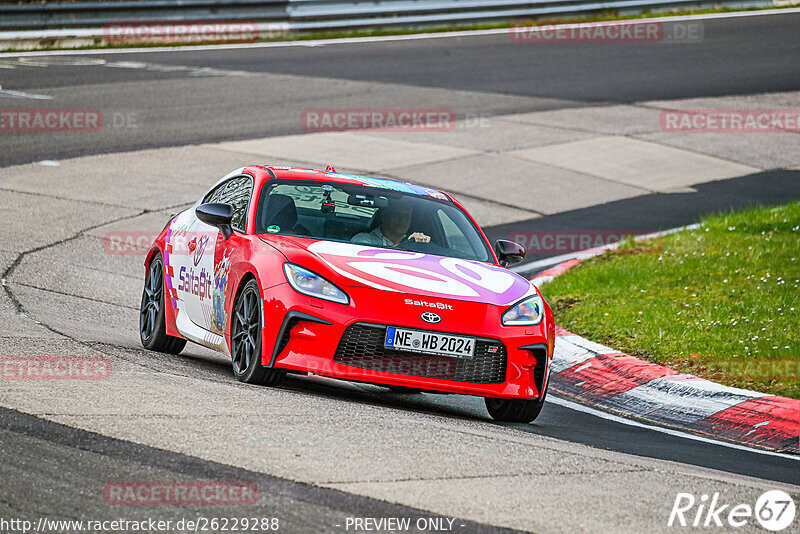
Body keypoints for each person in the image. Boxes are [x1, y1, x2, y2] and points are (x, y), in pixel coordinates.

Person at [351, 200, 430, 247]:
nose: (402, 219)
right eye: (397, 214)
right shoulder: (363, 239)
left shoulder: (414, 240)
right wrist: (406, 246)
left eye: (407, 216)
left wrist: (420, 242)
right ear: (384, 216)